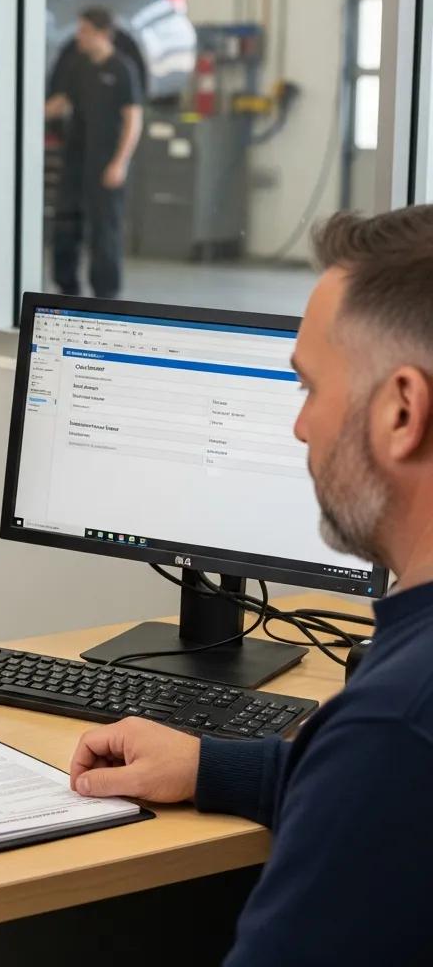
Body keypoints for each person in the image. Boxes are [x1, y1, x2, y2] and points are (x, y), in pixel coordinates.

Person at [68, 205, 433, 964]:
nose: (300, 428)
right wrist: (211, 764)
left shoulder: (394, 730)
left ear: (402, 411)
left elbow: (380, 770)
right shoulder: (385, 741)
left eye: (308, 388)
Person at [49, 7, 143, 299]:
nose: (79, 36)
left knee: (104, 233)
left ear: (101, 34)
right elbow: (60, 103)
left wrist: (120, 162)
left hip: (106, 164)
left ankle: (106, 295)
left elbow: (133, 120)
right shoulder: (78, 67)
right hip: (77, 160)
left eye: (84, 31)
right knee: (66, 225)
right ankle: (67, 288)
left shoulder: (122, 69)